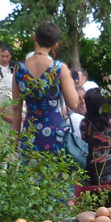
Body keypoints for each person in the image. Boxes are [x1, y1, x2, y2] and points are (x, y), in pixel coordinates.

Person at [10, 21, 80, 153]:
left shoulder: (19, 68)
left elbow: (16, 108)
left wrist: (16, 139)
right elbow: (73, 104)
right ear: (55, 45)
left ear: (35, 37)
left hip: (30, 132)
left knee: (28, 165)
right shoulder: (60, 68)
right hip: (54, 133)